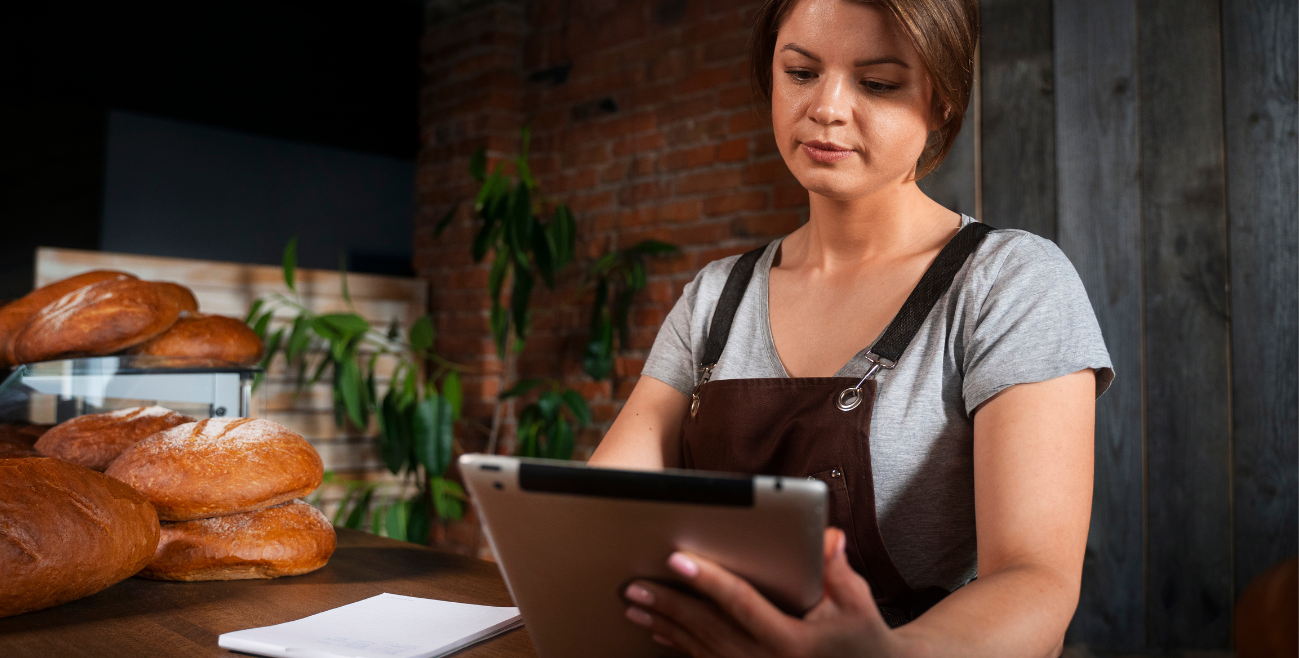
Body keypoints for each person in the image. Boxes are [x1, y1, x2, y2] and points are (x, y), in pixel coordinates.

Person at [587, 0, 1115, 655]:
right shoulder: (715, 297)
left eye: (878, 83)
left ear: (943, 102)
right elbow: (598, 517)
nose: (827, 108)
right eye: (800, 73)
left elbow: (1036, 582)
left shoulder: (1011, 282)